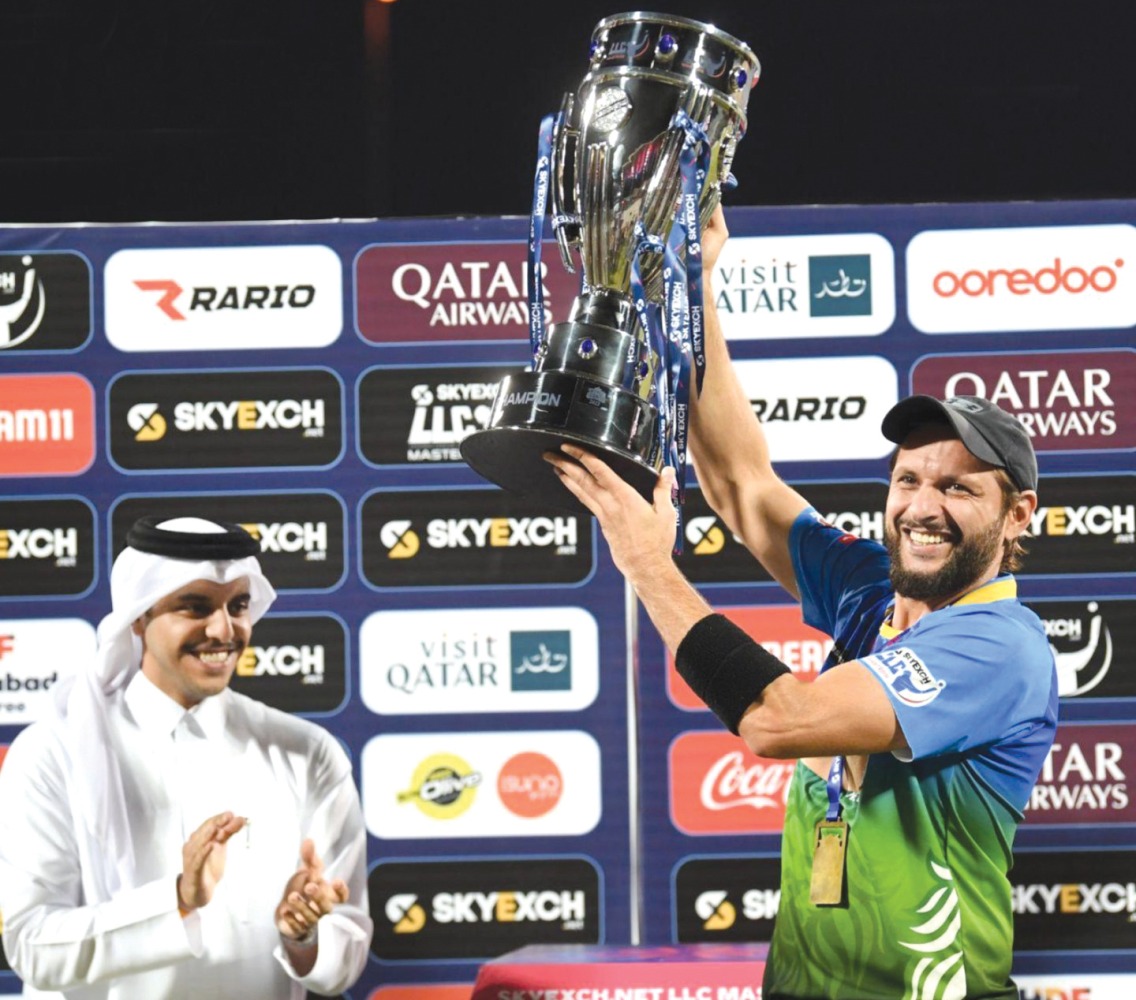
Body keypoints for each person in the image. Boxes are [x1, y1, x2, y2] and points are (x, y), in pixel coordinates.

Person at [545, 207, 1058, 999]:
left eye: (958, 487)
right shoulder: (870, 596)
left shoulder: (1001, 645)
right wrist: (694, 278)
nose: (922, 507)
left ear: (1018, 514)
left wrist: (649, 563)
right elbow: (741, 484)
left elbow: (780, 721)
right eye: (908, 480)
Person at [0, 516, 372, 999]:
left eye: (238, 605)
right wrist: (177, 899)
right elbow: (31, 945)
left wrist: (302, 934)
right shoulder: (54, 754)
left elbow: (343, 960)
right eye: (194, 607)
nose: (223, 629)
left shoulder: (307, 752)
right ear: (139, 616)